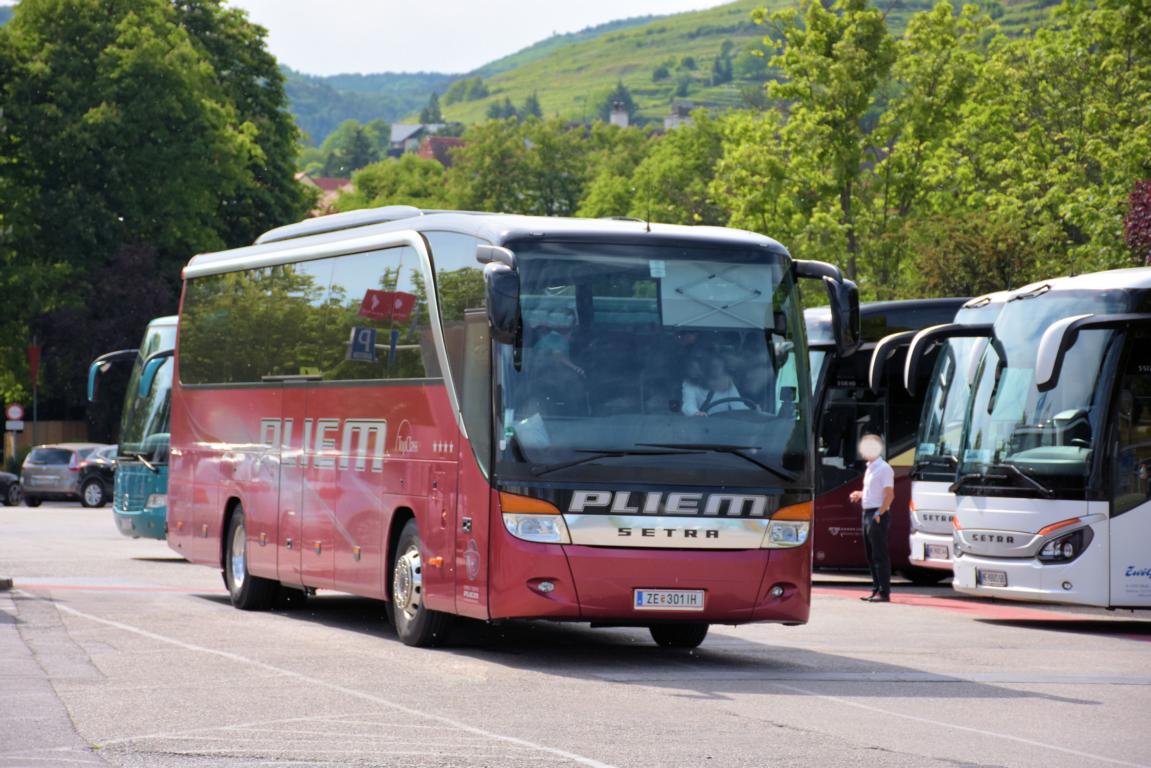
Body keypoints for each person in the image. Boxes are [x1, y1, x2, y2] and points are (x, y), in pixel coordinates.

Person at [849, 433, 895, 603]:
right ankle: (876, 588)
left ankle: (884, 592)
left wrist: (879, 513)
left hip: (877, 513)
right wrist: (860, 494)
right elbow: (874, 492)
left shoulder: (884, 468)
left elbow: (889, 495)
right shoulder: (870, 467)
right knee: (870, 554)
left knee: (879, 554)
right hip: (867, 512)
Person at [681, 356, 749, 416]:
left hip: (722, 425)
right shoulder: (690, 384)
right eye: (713, 367)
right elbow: (688, 405)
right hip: (700, 425)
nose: (717, 371)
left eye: (720, 368)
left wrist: (751, 412)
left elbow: (739, 406)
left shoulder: (727, 383)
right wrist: (696, 413)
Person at [534, 308, 583, 377]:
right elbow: (557, 356)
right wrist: (575, 368)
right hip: (548, 376)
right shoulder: (555, 338)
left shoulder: (569, 338)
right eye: (567, 320)